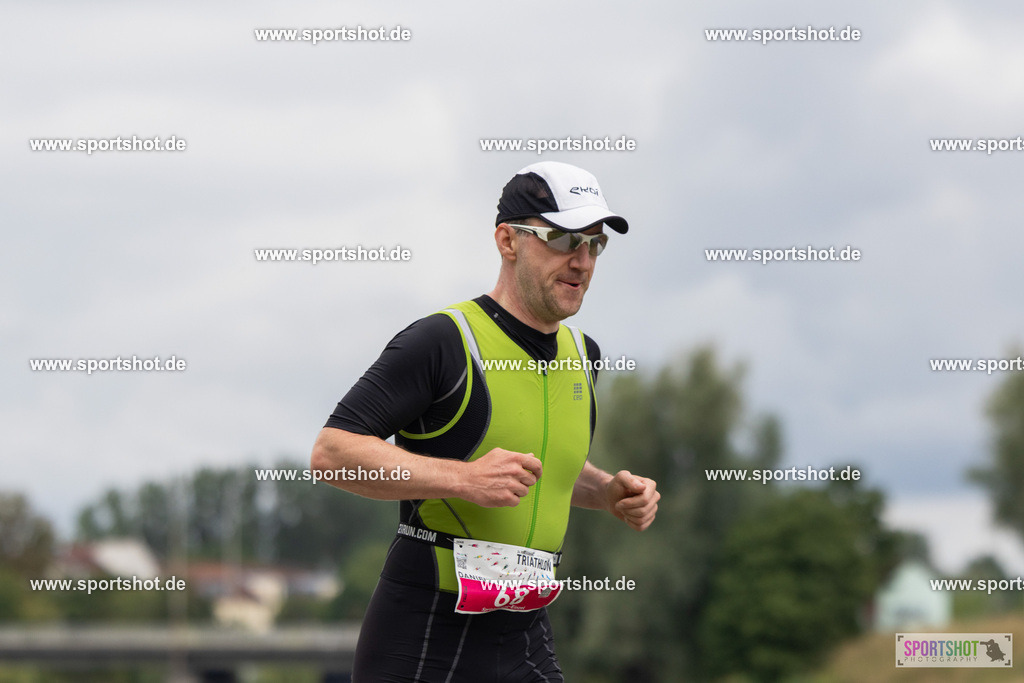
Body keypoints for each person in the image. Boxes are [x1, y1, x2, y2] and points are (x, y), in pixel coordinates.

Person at [311, 161, 660, 682]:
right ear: (508, 240)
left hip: (524, 629)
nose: (582, 261)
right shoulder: (443, 341)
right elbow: (332, 454)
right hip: (423, 634)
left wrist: (607, 490)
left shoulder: (585, 355)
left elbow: (545, 469)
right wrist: (463, 478)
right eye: (563, 239)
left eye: (595, 244)